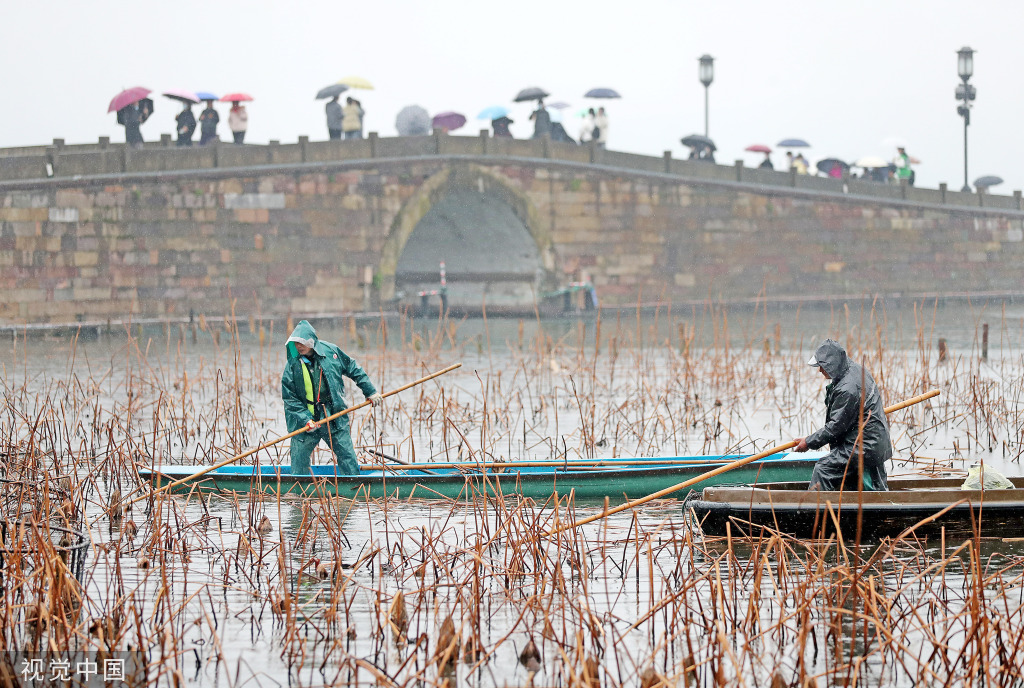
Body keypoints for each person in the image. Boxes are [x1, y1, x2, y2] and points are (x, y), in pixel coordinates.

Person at [281, 320, 383, 475]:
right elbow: (289, 398)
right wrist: (305, 419)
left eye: (302, 342)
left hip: (334, 416)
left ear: (311, 342)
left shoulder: (331, 352)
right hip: (306, 422)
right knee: (299, 459)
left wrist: (370, 392)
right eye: (295, 343)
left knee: (347, 456)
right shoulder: (293, 364)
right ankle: (298, 489)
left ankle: (351, 487)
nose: (299, 346)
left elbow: (354, 369)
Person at [792, 339, 892, 492]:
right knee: (867, 483)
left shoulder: (848, 389)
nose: (820, 371)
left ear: (831, 365)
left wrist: (809, 442)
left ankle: (815, 512)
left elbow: (835, 428)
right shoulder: (856, 370)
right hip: (876, 443)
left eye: (822, 366)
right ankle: (872, 505)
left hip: (864, 446)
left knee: (823, 469)